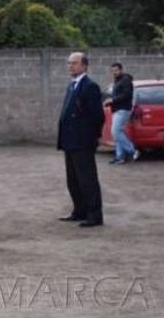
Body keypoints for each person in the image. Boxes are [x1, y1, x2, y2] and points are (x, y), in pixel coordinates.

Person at [57, 52, 106, 228]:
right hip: (70, 140)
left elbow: (98, 116)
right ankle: (79, 210)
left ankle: (94, 215)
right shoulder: (72, 85)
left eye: (75, 63)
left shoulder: (89, 86)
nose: (71, 66)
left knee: (87, 179)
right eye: (69, 63)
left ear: (84, 66)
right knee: (73, 179)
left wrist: (92, 136)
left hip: (83, 141)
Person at [105, 63, 139, 164]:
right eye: (113, 71)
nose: (114, 72)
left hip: (123, 109)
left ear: (121, 70)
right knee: (118, 133)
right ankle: (120, 157)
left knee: (115, 132)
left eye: (116, 70)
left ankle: (133, 150)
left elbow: (127, 95)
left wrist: (112, 100)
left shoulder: (125, 80)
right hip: (117, 109)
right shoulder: (118, 80)